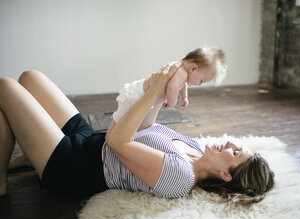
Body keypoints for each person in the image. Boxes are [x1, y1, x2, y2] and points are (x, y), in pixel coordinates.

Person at [0, 65, 274, 206]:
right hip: (88, 141)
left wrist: (153, 93)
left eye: (235, 153)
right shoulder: (194, 148)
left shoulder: (182, 177)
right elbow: (144, 129)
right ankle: (31, 153)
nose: (231, 143)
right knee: (29, 77)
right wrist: (163, 90)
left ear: (226, 176)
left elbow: (118, 141)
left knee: (5, 87)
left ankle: (5, 177)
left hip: (73, 167)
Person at [112, 47, 227, 124]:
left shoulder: (182, 72)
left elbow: (182, 87)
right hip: (137, 96)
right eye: (201, 81)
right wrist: (172, 102)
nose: (199, 84)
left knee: (138, 123)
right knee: (122, 119)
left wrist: (184, 97)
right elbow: (173, 88)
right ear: (193, 68)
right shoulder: (180, 71)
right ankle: (111, 137)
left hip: (144, 98)